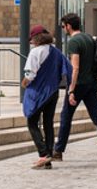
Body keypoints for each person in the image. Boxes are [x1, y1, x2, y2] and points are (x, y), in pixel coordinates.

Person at [51, 13, 97, 164]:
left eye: (63, 26)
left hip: (79, 84)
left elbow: (75, 68)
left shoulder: (74, 42)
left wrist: (71, 90)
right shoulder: (88, 38)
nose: (63, 29)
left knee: (66, 117)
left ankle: (58, 151)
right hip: (91, 83)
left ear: (68, 25)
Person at [22, 25, 70, 169]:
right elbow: (65, 68)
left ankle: (43, 153)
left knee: (32, 122)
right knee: (48, 122)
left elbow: (30, 74)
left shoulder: (35, 52)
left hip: (39, 91)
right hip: (53, 91)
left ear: (36, 39)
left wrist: (24, 83)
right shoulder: (56, 51)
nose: (31, 42)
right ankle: (48, 156)